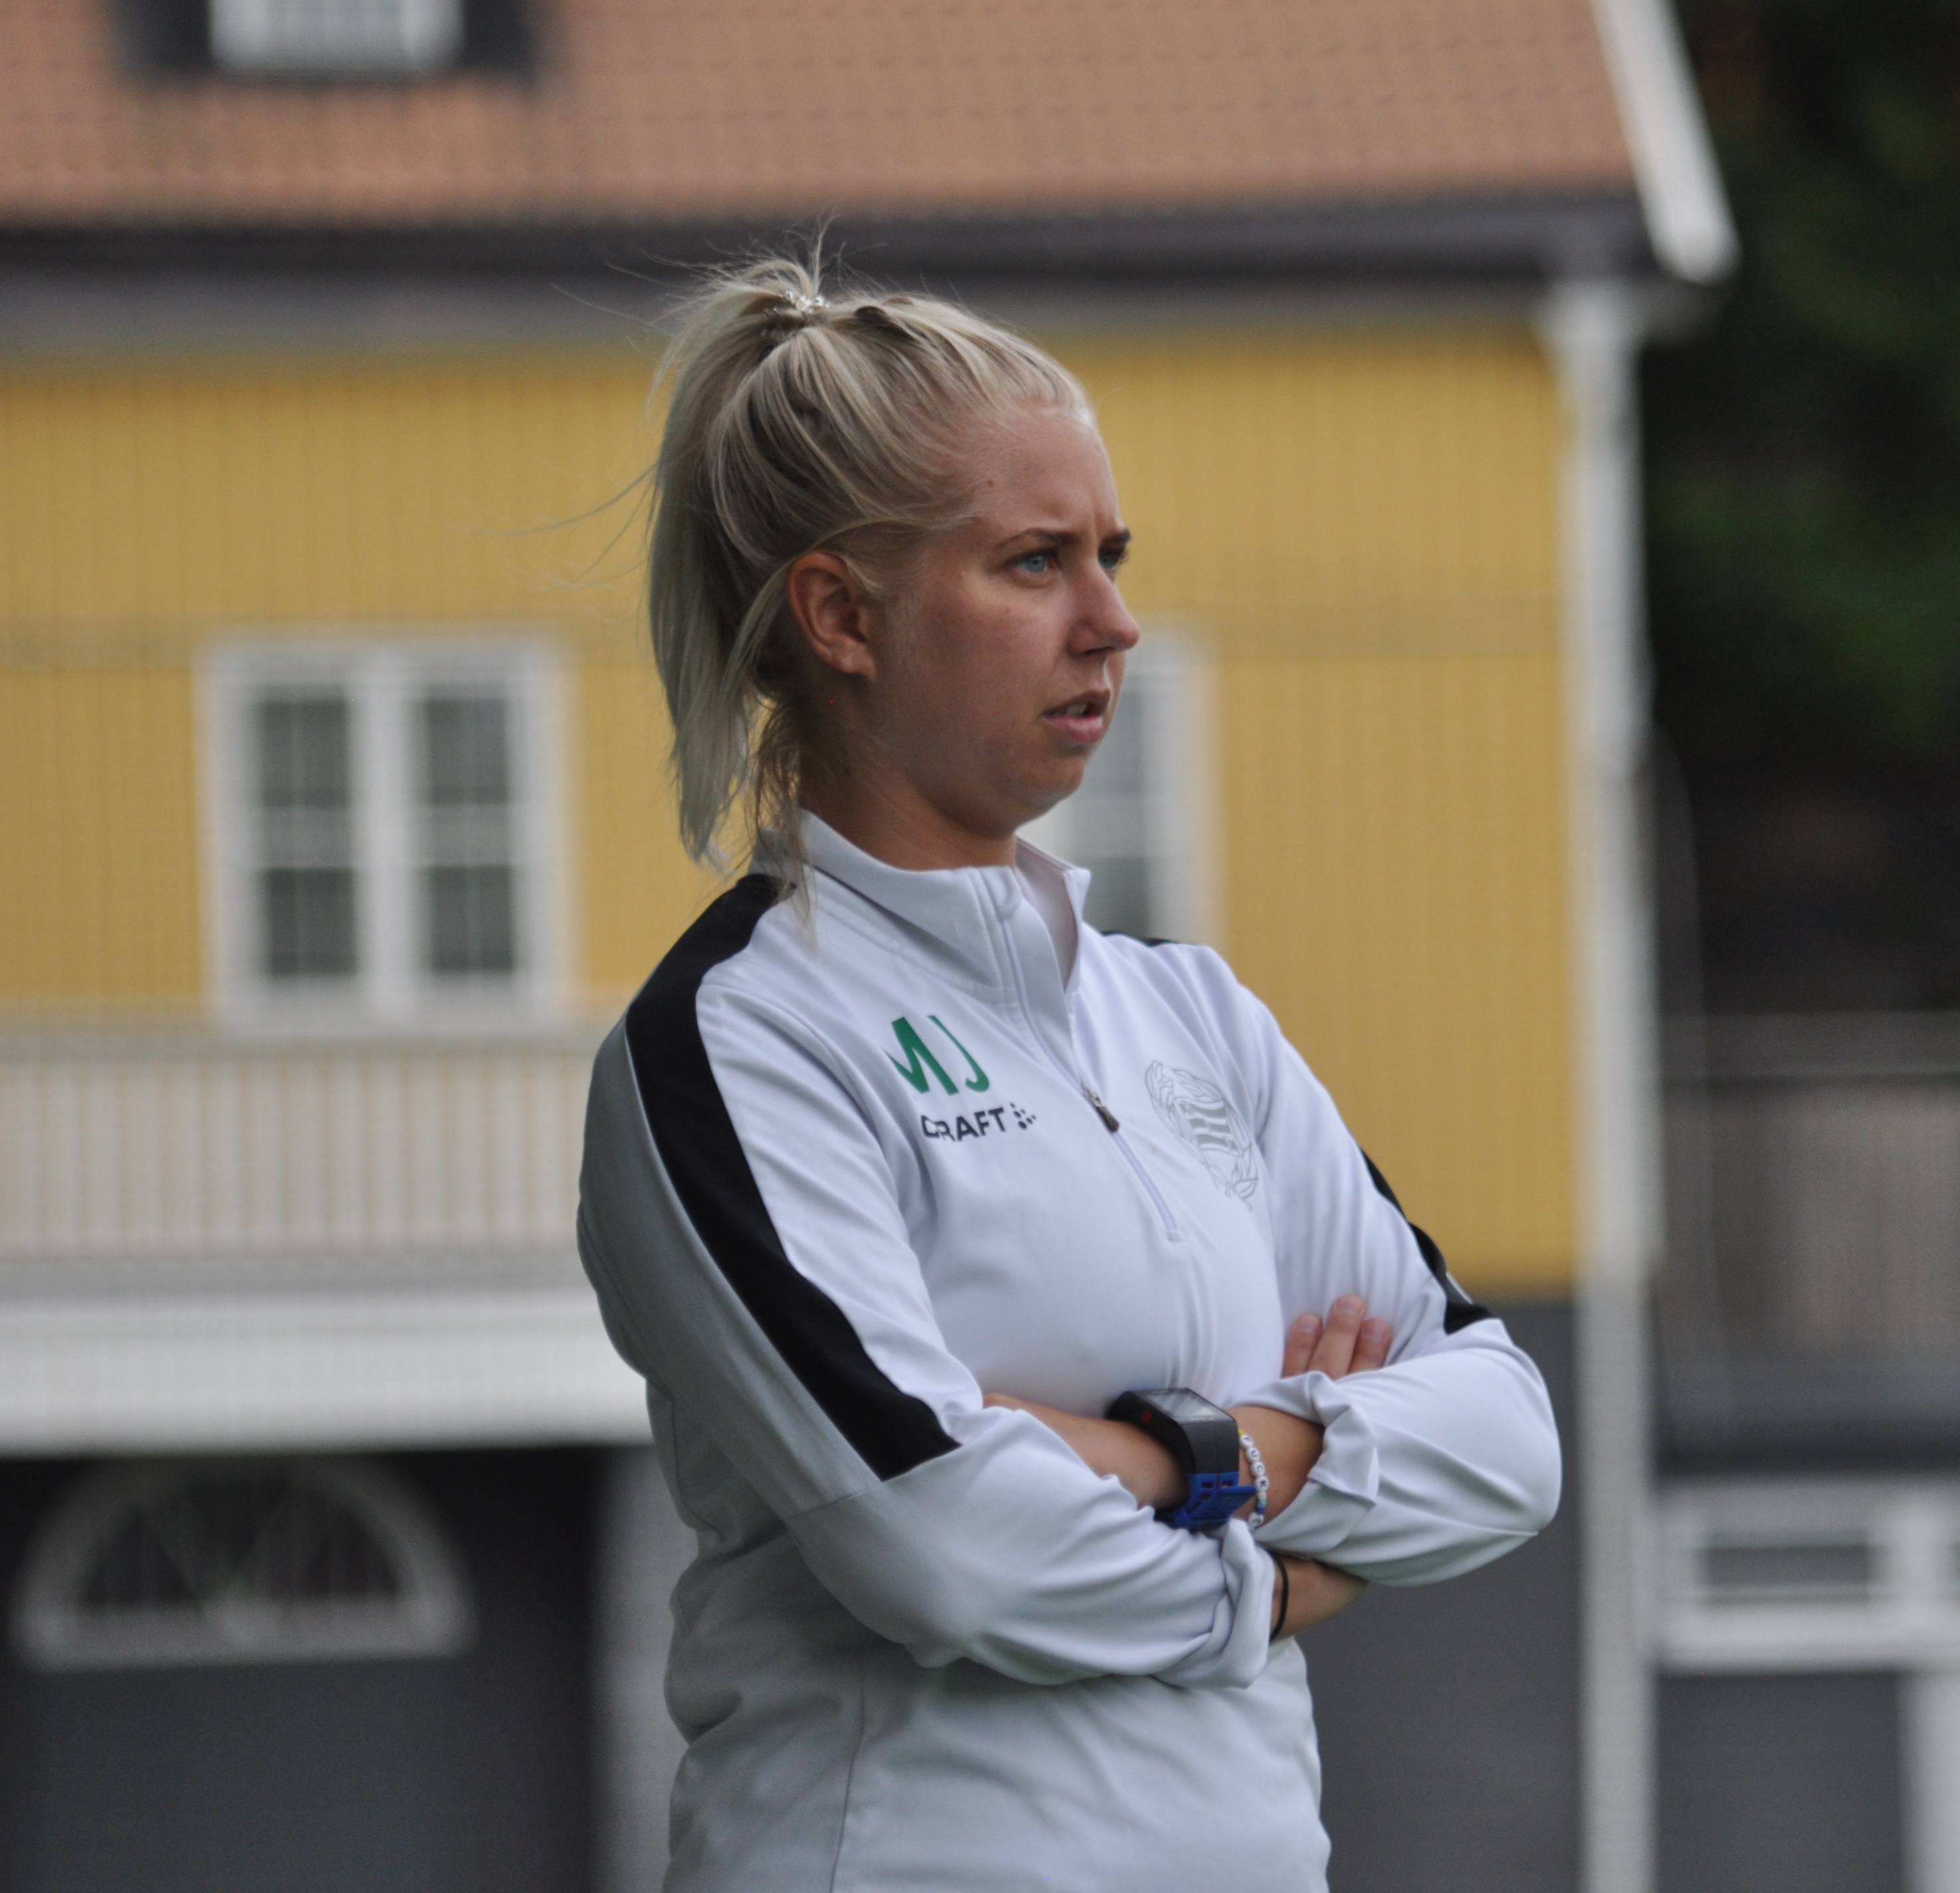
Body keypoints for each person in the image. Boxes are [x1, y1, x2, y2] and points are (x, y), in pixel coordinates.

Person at [574, 256, 1563, 1893]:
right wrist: (1288, 1563)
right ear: (840, 616)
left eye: (1110, 556)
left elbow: (1507, 1437)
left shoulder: (1190, 1012)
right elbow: (947, 1547)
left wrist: (1172, 1456)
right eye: (1034, 561)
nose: (1110, 620)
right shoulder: (738, 1045)